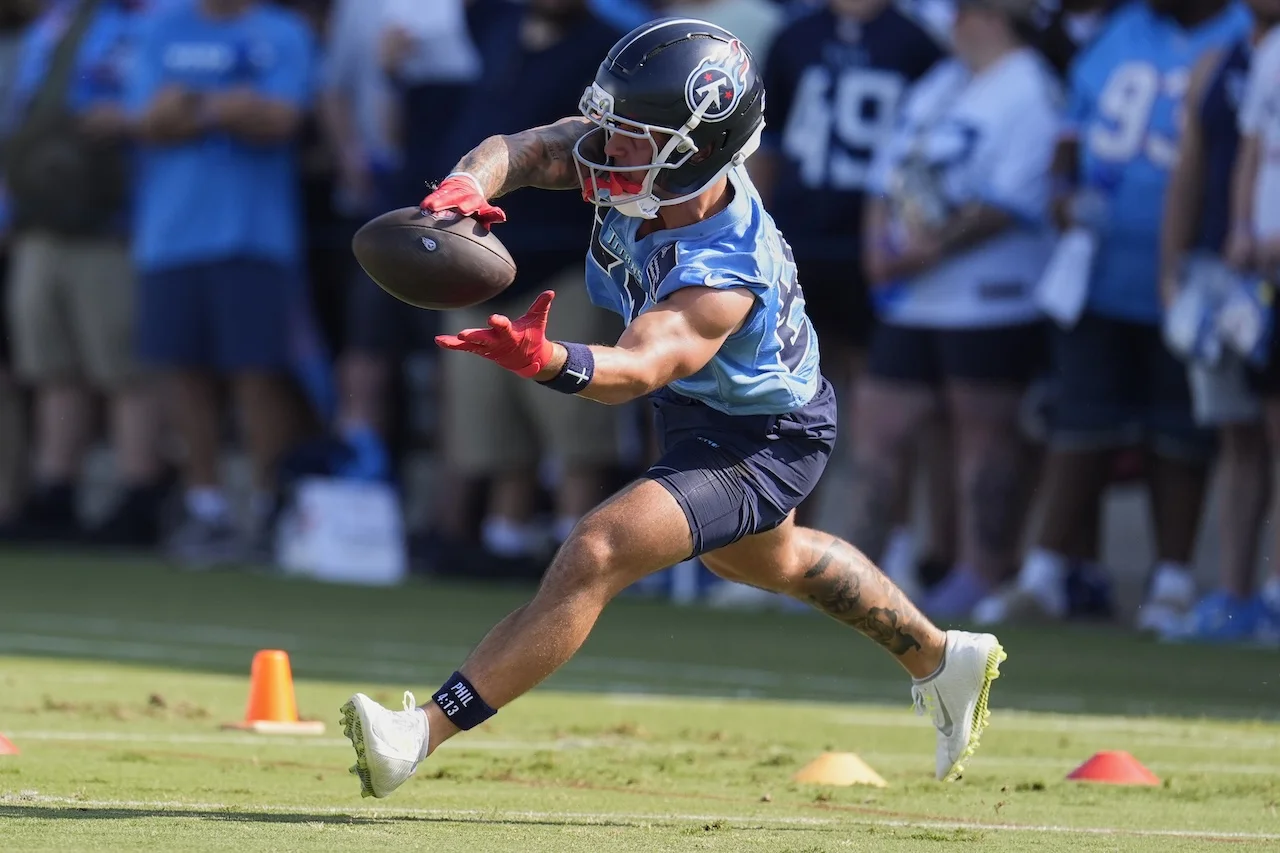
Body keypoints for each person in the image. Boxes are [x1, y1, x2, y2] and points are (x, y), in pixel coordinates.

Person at [338, 18, 1007, 800]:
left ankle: (419, 734)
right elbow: (530, 147)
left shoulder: (722, 264)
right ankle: (943, 657)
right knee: (774, 559)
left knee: (597, 549)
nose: (606, 146)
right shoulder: (650, 164)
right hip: (711, 407)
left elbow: (643, 365)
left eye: (630, 136)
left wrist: (546, 359)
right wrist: (466, 187)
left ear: (695, 152)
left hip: (760, 437)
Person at [1159, 0, 1280, 643]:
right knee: (1237, 436)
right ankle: (1236, 596)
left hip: (1266, 264)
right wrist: (1171, 270)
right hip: (1228, 278)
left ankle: (1275, 594)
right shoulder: (1222, 61)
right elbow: (1193, 169)